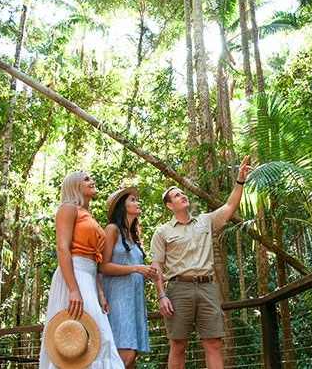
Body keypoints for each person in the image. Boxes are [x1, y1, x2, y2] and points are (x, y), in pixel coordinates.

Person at [150, 156, 252, 369]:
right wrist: (161, 295)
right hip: (178, 289)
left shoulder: (205, 220)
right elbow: (156, 267)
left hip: (207, 287)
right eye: (177, 195)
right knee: (178, 344)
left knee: (213, 343)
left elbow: (231, 206)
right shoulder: (162, 232)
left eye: (183, 192)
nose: (183, 195)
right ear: (170, 206)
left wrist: (240, 180)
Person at [39, 171, 125, 369]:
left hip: (88, 277)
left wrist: (100, 292)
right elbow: (62, 248)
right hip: (73, 275)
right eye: (86, 179)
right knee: (78, 337)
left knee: (97, 338)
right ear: (75, 186)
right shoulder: (68, 209)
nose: (92, 181)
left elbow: (94, 258)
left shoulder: (88, 215)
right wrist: (73, 289)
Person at [99, 187, 158, 369]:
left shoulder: (133, 235)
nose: (138, 202)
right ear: (121, 207)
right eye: (132, 200)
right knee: (125, 357)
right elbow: (102, 266)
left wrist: (146, 272)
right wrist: (136, 268)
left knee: (131, 358)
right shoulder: (112, 230)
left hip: (134, 301)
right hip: (116, 298)